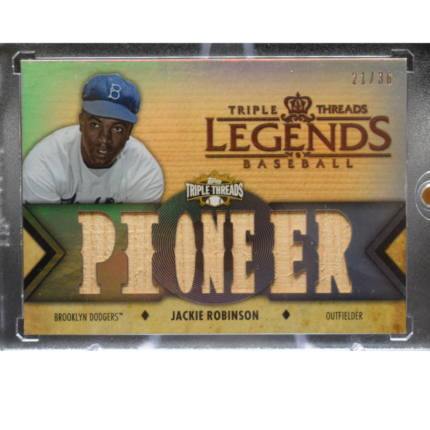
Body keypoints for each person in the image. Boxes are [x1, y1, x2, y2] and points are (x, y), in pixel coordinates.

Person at [23, 74, 164, 204]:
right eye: (95, 125)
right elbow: (42, 224)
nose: (104, 139)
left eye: (117, 129)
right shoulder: (45, 163)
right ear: (81, 122)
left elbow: (137, 224)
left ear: (129, 132)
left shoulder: (145, 171)